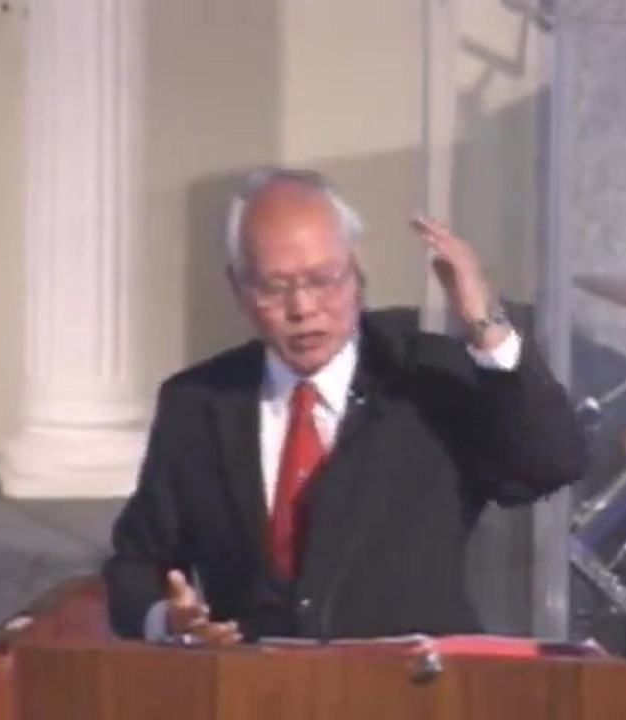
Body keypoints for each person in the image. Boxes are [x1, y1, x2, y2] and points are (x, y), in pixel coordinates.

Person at [102, 168, 587, 644]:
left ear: (356, 269)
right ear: (238, 290)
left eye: (323, 280)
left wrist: (485, 326)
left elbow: (551, 463)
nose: (302, 308)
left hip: (412, 684)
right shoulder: (199, 404)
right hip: (252, 685)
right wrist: (167, 620)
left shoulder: (425, 378)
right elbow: (137, 562)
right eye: (274, 287)